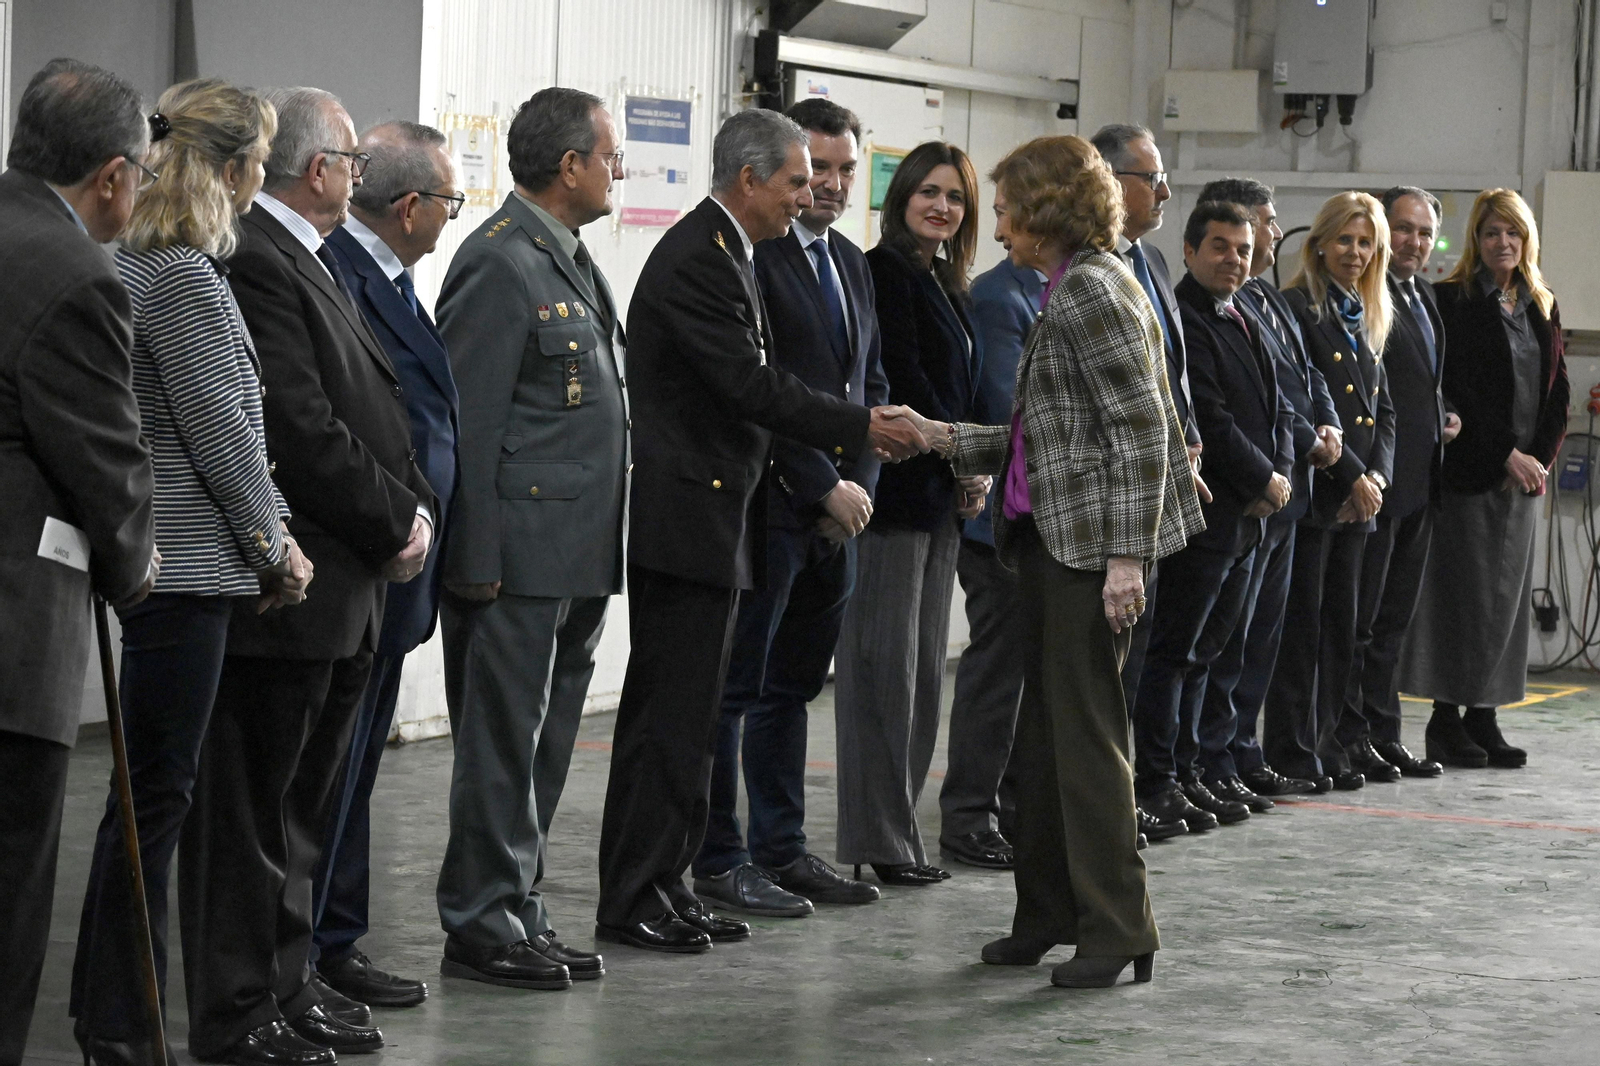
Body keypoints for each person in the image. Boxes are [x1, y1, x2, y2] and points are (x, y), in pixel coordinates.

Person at [595, 108, 927, 955]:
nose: (807, 195)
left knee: (694, 718)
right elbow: (752, 386)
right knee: (671, 723)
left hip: (718, 516)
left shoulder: (728, 252)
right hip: (690, 522)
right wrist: (861, 426)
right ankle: (635, 895)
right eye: (793, 181)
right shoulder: (700, 260)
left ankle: (666, 885)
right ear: (748, 180)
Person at [178, 86, 435, 1065]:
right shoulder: (256, 256)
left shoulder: (309, 257)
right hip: (291, 591)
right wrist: (393, 516)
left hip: (343, 586)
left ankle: (286, 984)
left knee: (299, 816)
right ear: (323, 171)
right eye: (354, 166)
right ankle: (239, 1009)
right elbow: (295, 423)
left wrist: (407, 506)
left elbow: (372, 402)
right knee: (253, 820)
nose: (359, 182)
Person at [910, 134, 1201, 988]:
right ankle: (1044, 913)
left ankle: (1117, 929)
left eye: (1003, 210)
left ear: (1044, 211)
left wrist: (1125, 560)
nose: (993, 227)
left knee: (1085, 745)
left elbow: (1144, 434)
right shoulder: (1073, 286)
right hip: (1049, 544)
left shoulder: (1092, 293)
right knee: (1040, 745)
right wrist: (946, 440)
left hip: (1085, 556)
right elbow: (1054, 436)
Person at [68, 78, 313, 1066]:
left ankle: (116, 1007)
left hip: (171, 569)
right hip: (192, 571)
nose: (265, 177)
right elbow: (222, 436)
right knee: (155, 799)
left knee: (151, 795)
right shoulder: (182, 278)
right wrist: (277, 544)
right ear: (230, 167)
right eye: (259, 159)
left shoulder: (148, 264)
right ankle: (123, 1018)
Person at [432, 86, 625, 989]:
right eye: (609, 153)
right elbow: (463, 428)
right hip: (512, 561)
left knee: (543, 751)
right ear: (569, 165)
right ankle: (479, 922)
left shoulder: (571, 260)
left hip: (576, 553)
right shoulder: (500, 264)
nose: (618, 168)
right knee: (502, 749)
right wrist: (469, 564)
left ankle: (520, 907)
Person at [690, 98, 885, 917]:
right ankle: (720, 857)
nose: (830, 187)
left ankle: (783, 848)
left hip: (841, 513)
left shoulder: (849, 261)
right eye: (816, 171)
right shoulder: (755, 259)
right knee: (737, 691)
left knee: (792, 690)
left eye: (844, 171)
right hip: (775, 508)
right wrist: (819, 485)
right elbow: (761, 396)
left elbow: (864, 386)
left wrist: (861, 483)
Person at [0, 57, 158, 1066]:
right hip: (13, 638)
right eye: (139, 174)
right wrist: (135, 572)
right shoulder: (75, 274)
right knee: (8, 894)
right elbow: (108, 463)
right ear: (110, 175)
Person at [313, 119, 462, 1006]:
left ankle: (337, 937)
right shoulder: (343, 275)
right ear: (410, 207)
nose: (451, 215)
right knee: (334, 771)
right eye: (448, 200)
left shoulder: (392, 278)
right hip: (361, 561)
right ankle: (320, 948)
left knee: (358, 766)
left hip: (397, 567)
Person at [832, 140, 988, 888]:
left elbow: (965, 386)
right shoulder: (883, 271)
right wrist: (963, 454)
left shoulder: (951, 284)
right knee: (881, 675)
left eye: (954, 196)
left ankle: (901, 835)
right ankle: (878, 838)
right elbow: (906, 381)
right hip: (893, 500)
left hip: (942, 502)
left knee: (925, 677)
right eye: (927, 192)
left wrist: (971, 468)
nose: (941, 206)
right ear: (900, 201)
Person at [1131, 199, 1295, 830]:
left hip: (1250, 514)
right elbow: (1212, 418)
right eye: (1221, 246)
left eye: (1244, 249)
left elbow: (1277, 405)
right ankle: (1157, 778)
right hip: (1206, 511)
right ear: (1193, 250)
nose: (1233, 258)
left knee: (1210, 654)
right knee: (1175, 654)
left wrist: (1274, 478)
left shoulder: (1246, 311)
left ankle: (1193, 772)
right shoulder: (1185, 315)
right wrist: (1262, 477)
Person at [1400, 188, 1569, 769]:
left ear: (1527, 241)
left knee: (1506, 605)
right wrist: (1505, 454)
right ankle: (1446, 721)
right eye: (1492, 233)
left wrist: (1539, 458)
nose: (1503, 243)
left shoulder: (1540, 304)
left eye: (1513, 233)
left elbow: (1557, 391)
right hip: (1474, 474)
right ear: (1476, 240)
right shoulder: (1452, 301)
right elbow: (1457, 389)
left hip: (1523, 484)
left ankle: (1485, 717)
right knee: (1463, 600)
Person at [1194, 177, 1341, 799]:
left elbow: (1299, 379)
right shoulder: (1219, 306)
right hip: (1249, 493)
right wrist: (1275, 468)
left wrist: (1325, 428)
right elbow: (1222, 411)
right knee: (1221, 643)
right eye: (1268, 222)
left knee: (1260, 640)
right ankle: (1211, 759)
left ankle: (1242, 750)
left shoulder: (1271, 300)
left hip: (1284, 493)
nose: (1275, 235)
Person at [1266, 191, 1396, 792]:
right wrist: (1350, 479)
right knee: (1305, 630)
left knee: (1343, 629)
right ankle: (1293, 751)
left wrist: (1376, 479)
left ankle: (1327, 745)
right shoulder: (1299, 306)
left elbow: (1385, 411)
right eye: (1344, 239)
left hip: (1358, 497)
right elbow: (1301, 402)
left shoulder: (1366, 312)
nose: (1355, 252)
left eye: (1366, 242)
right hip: (1321, 494)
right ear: (1318, 243)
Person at [1089, 124, 1204, 754]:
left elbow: (1171, 374)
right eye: (1151, 177)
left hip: (1165, 489)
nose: (1164, 190)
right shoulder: (1089, 275)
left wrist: (1188, 440)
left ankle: (1134, 788)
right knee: (1103, 673)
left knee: (1145, 659)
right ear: (1110, 182)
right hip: (1109, 500)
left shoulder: (1152, 262)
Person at [938, 208, 1047, 866]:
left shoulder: (1052, 290)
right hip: (1000, 525)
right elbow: (1014, 408)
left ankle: (1009, 807)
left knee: (1028, 678)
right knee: (997, 677)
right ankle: (969, 817)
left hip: (1041, 524)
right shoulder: (1002, 299)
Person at [1338, 187, 1458, 780]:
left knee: (1392, 624)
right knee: (1362, 621)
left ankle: (1384, 733)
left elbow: (1422, 384)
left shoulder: (1422, 296)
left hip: (1420, 485)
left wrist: (1445, 415)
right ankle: (1352, 733)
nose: (1413, 242)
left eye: (1423, 232)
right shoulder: (1365, 296)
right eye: (1402, 229)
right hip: (1379, 483)